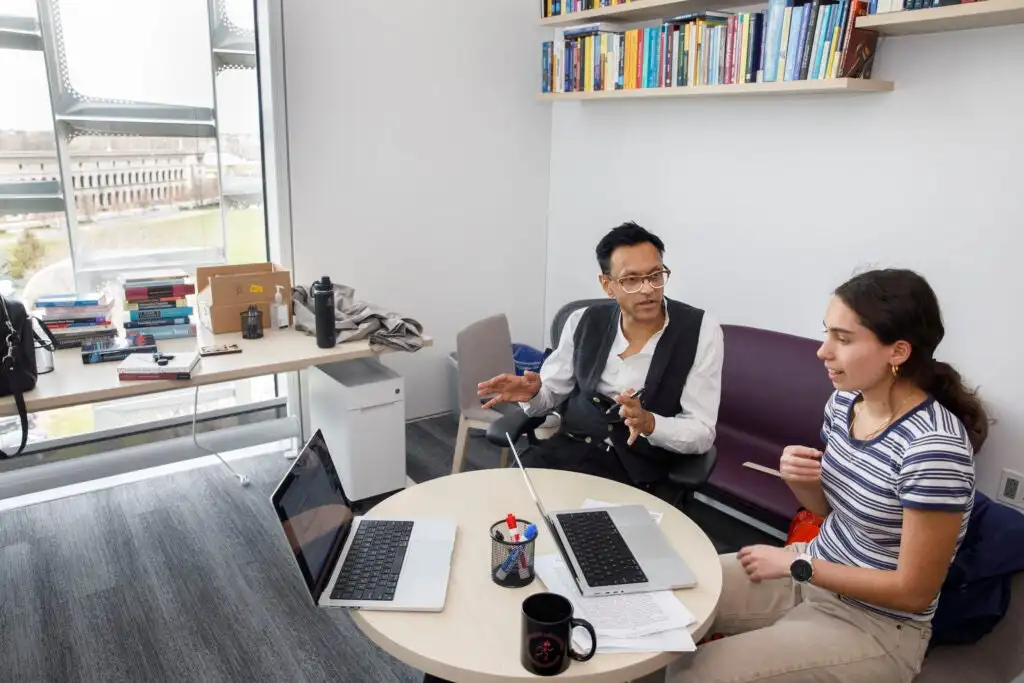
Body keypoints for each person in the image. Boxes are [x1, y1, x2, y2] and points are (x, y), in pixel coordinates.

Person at [665, 268, 987, 683]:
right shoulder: (845, 403)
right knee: (673, 606)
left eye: (844, 338)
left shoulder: (934, 450)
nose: (823, 351)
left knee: (700, 674)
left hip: (876, 625)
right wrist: (803, 482)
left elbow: (914, 591)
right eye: (827, 333)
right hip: (814, 574)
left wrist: (797, 564)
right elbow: (828, 510)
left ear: (898, 352)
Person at [477, 221, 723, 490]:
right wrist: (533, 394)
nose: (647, 289)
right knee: (510, 510)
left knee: (589, 532)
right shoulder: (582, 321)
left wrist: (651, 423)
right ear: (607, 285)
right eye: (631, 280)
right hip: (568, 452)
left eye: (655, 275)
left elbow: (702, 432)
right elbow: (549, 397)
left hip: (638, 473)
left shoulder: (701, 331)